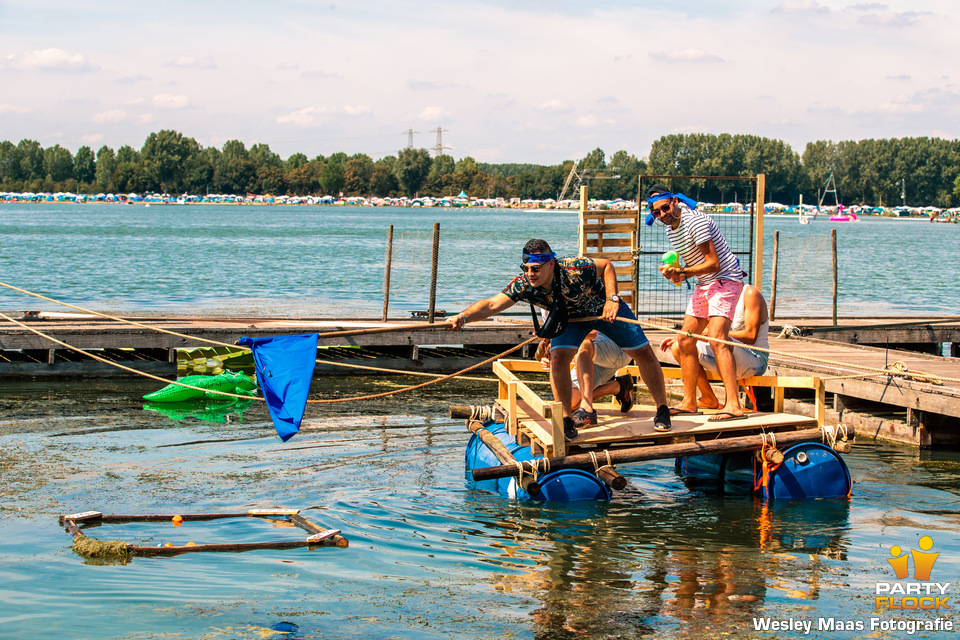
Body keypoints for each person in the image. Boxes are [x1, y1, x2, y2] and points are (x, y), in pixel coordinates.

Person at [448, 239, 672, 439]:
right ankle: (566, 419)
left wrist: (612, 299)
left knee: (643, 353)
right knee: (558, 358)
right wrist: (464, 317)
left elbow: (607, 265)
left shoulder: (574, 268)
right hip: (572, 320)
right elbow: (492, 304)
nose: (530, 274)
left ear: (551, 264)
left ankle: (662, 409)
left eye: (535, 268)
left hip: (602, 310)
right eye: (525, 269)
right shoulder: (524, 284)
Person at [648, 185, 746, 421]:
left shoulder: (695, 222)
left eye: (665, 208)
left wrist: (684, 271)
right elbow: (696, 266)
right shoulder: (672, 229)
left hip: (725, 280)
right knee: (684, 340)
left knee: (717, 339)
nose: (662, 215)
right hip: (704, 284)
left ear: (674, 201)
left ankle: (733, 404)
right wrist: (678, 274)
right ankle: (692, 401)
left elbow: (714, 263)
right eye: (656, 213)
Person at [659, 284, 769, 411]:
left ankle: (732, 405)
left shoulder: (749, 293)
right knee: (680, 346)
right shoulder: (715, 295)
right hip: (725, 354)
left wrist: (711, 335)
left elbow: (751, 336)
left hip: (755, 359)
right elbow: (707, 334)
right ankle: (708, 398)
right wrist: (685, 339)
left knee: (722, 340)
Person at [535, 330, 634, 425]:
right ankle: (618, 387)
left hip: (620, 348)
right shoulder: (548, 317)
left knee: (583, 342)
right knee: (568, 404)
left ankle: (587, 409)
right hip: (591, 356)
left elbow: (592, 334)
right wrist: (543, 355)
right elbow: (538, 355)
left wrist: (555, 337)